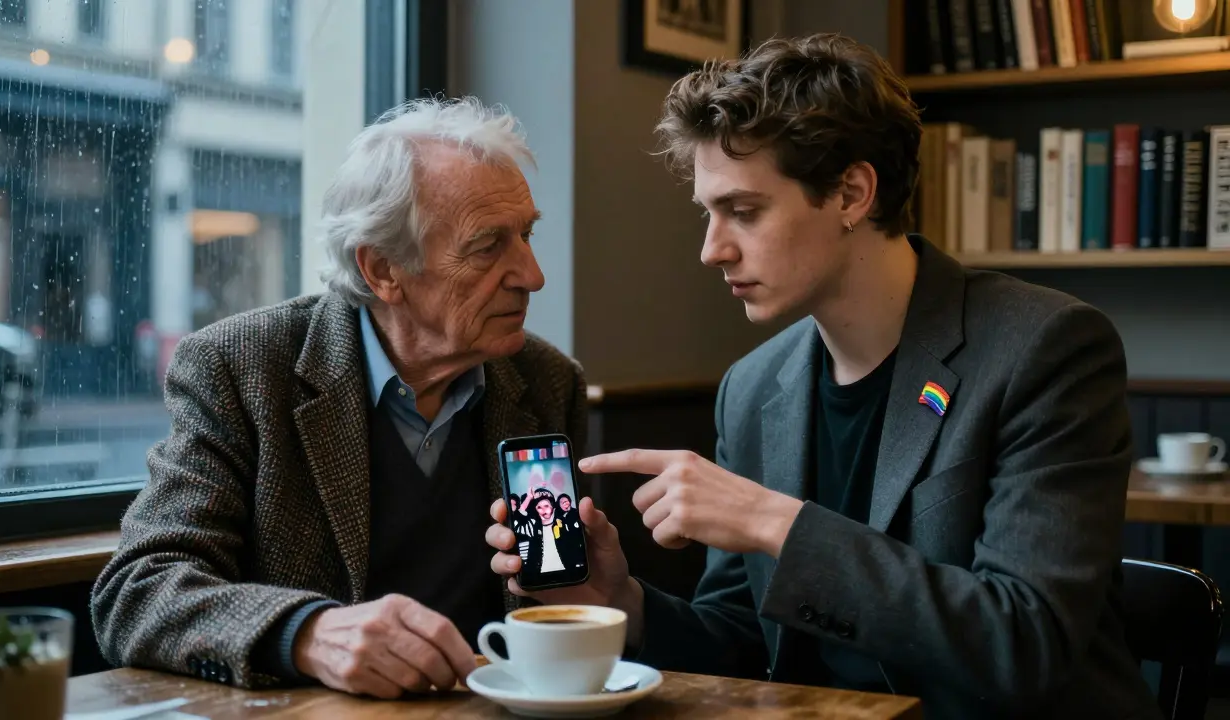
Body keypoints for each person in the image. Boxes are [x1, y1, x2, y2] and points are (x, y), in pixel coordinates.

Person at [486, 35, 1161, 719]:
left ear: (852, 193)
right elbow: (751, 647)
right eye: (708, 213)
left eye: (744, 212)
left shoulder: (1045, 349)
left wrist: (774, 521)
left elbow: (1025, 642)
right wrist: (622, 605)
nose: (711, 249)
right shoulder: (752, 389)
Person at [92, 96, 588, 698]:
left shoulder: (544, 381)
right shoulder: (244, 366)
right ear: (382, 270)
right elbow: (137, 591)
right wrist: (310, 633)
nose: (532, 274)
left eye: (527, 235)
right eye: (488, 246)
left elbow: (552, 588)